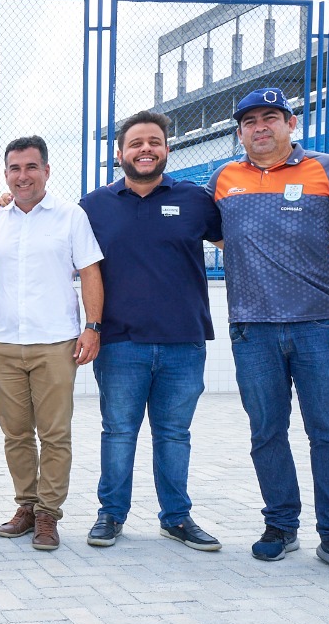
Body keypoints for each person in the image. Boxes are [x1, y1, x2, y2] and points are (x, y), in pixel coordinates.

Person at [208, 87, 329, 582]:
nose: (260, 127)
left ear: (290, 123)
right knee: (267, 432)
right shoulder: (223, 179)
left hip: (319, 326)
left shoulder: (328, 170)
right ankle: (281, 525)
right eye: (250, 121)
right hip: (252, 330)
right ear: (240, 132)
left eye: (270, 117)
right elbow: (204, 229)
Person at [78, 111, 223, 552]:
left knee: (174, 435)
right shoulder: (93, 206)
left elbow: (236, 243)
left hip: (184, 342)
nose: (146, 149)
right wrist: (8, 201)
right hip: (120, 343)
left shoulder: (195, 199)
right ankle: (111, 515)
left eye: (154, 142)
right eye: (136, 143)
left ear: (166, 149)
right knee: (118, 433)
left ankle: (176, 518)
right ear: (120, 152)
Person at [0, 135, 104, 552]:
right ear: (6, 173)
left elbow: (90, 272)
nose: (22, 176)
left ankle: (48, 514)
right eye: (14, 168)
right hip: (6, 344)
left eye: (30, 167)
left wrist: (92, 327)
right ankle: (26, 506)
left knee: (55, 434)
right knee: (16, 434)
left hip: (56, 344)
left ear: (46, 170)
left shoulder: (70, 216)